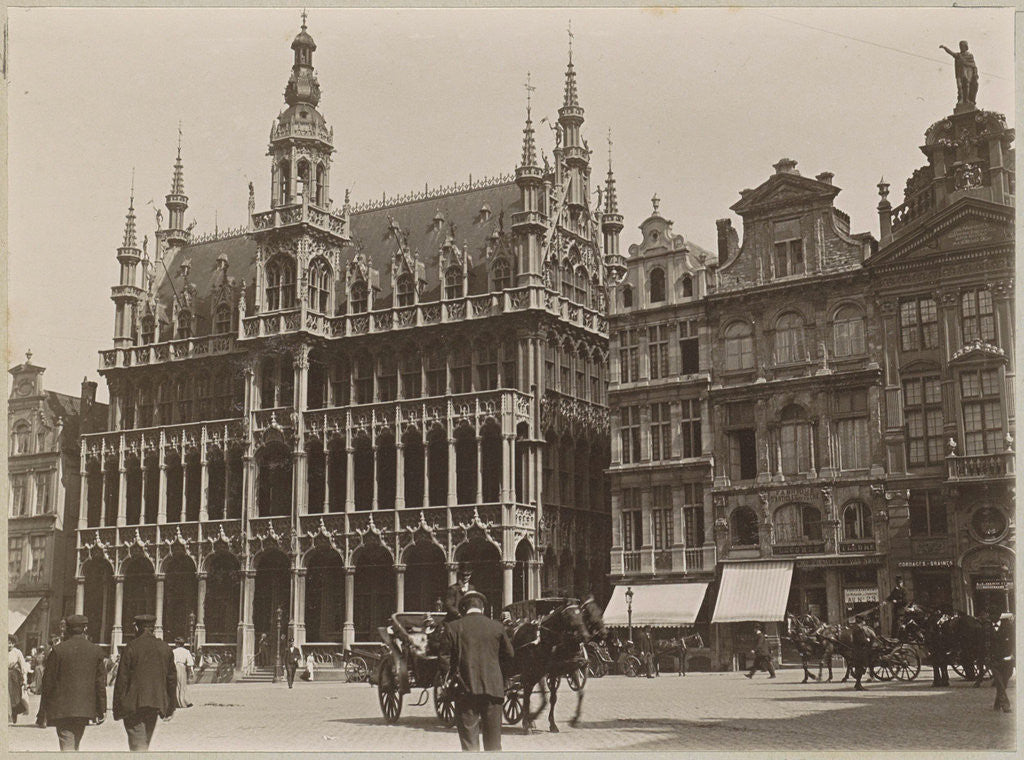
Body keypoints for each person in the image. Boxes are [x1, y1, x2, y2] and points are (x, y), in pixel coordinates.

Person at [440, 590, 514, 752]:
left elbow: (444, 659)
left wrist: (450, 678)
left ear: (464, 608)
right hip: (493, 691)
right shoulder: (497, 627)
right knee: (494, 744)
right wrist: (501, 678)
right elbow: (509, 656)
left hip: (465, 691)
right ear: (483, 608)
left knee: (469, 744)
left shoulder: (453, 627)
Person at [38, 614, 107, 751]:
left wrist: (43, 710)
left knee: (67, 743)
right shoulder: (96, 650)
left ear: (67, 629)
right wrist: (101, 709)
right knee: (75, 743)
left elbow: (48, 683)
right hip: (84, 708)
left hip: (62, 708)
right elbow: (100, 683)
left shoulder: (58, 650)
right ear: (85, 628)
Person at [113, 613, 177, 752]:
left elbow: (122, 680)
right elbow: (171, 680)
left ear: (136, 628)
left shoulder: (131, 647)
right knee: (144, 742)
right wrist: (171, 706)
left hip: (133, 704)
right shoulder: (165, 648)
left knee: (138, 745)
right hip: (155, 703)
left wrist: (117, 708)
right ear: (153, 628)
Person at [940, 40, 979, 106]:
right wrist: (945, 47)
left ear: (966, 47)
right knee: (959, 86)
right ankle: (961, 99)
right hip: (959, 74)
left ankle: (966, 99)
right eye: (960, 46)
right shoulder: (958, 55)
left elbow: (973, 65)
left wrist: (975, 73)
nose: (961, 47)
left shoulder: (970, 55)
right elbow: (951, 53)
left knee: (966, 85)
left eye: (962, 46)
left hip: (967, 74)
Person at [991, 612, 1015, 713]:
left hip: (1008, 660)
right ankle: (1006, 705)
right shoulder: (991, 629)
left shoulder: (1011, 631)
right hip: (995, 660)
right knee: (1000, 682)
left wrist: (1012, 655)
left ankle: (997, 704)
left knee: (1003, 682)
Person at [9, 635, 29, 725]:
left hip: (14, 678)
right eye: (8, 643)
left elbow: (23, 666)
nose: (9, 645)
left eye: (11, 643)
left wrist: (25, 680)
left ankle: (14, 714)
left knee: (14, 697)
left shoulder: (17, 652)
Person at [171, 639, 194, 708]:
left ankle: (177, 702)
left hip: (175, 667)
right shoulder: (186, 651)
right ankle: (184, 701)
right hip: (182, 667)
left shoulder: (173, 651)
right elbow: (190, 662)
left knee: (176, 685)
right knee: (183, 685)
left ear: (177, 644)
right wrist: (191, 671)